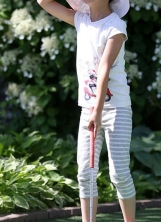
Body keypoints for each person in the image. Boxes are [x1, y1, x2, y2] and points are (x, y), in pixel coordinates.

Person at [37, 0, 135, 221]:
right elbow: (43, 1)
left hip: (116, 109)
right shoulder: (80, 20)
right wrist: (92, 111)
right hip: (89, 110)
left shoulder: (116, 27)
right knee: (85, 173)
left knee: (119, 174)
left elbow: (104, 69)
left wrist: (97, 111)